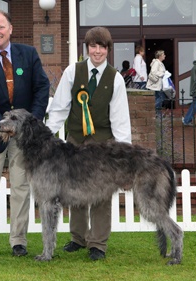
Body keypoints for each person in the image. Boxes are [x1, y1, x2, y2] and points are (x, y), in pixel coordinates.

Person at [0, 9, 50, 258]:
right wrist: (4, 125)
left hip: (25, 137)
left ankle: (18, 242)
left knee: (22, 188)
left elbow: (42, 87)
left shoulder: (29, 53)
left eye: (1, 27)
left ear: (10, 29)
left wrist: (27, 123)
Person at [45, 26, 131, 261]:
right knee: (75, 191)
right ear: (87, 48)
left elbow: (120, 119)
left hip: (104, 146)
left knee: (102, 194)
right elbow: (60, 108)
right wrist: (45, 135)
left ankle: (98, 244)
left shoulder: (116, 79)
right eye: (93, 46)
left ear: (108, 50)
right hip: (75, 142)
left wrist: (124, 154)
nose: (97, 51)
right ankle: (77, 238)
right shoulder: (73, 72)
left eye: (102, 46)